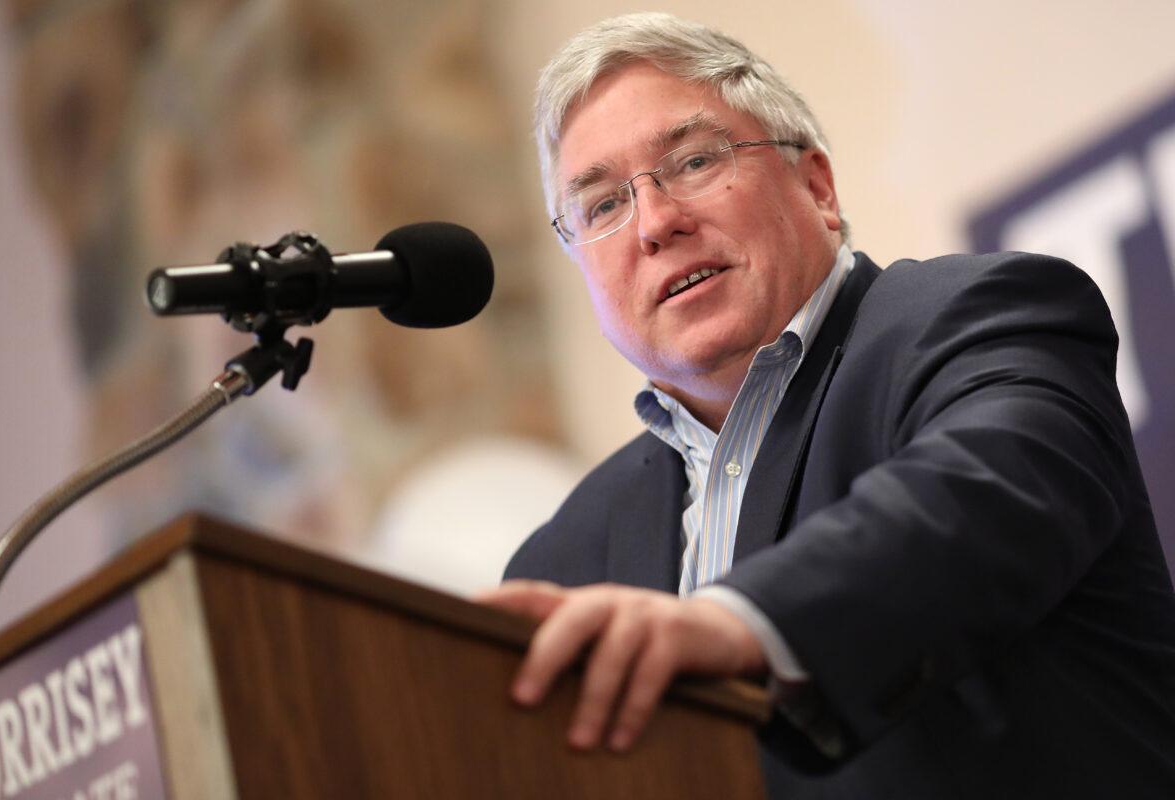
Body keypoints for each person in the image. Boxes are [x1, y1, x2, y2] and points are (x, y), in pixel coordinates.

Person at [477, 12, 1175, 798]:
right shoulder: (563, 561)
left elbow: (985, 493)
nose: (656, 223)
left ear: (817, 185)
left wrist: (735, 623)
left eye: (695, 160)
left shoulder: (981, 317)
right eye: (602, 206)